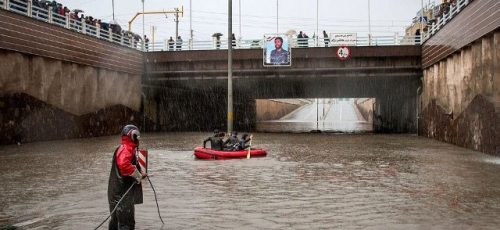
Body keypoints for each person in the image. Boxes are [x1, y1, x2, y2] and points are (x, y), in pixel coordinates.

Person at [108, 124, 147, 230]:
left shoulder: (122, 148)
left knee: (115, 222)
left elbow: (124, 167)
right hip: (123, 196)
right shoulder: (127, 148)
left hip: (116, 194)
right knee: (126, 225)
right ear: (134, 135)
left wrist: (138, 174)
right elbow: (124, 165)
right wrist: (138, 175)